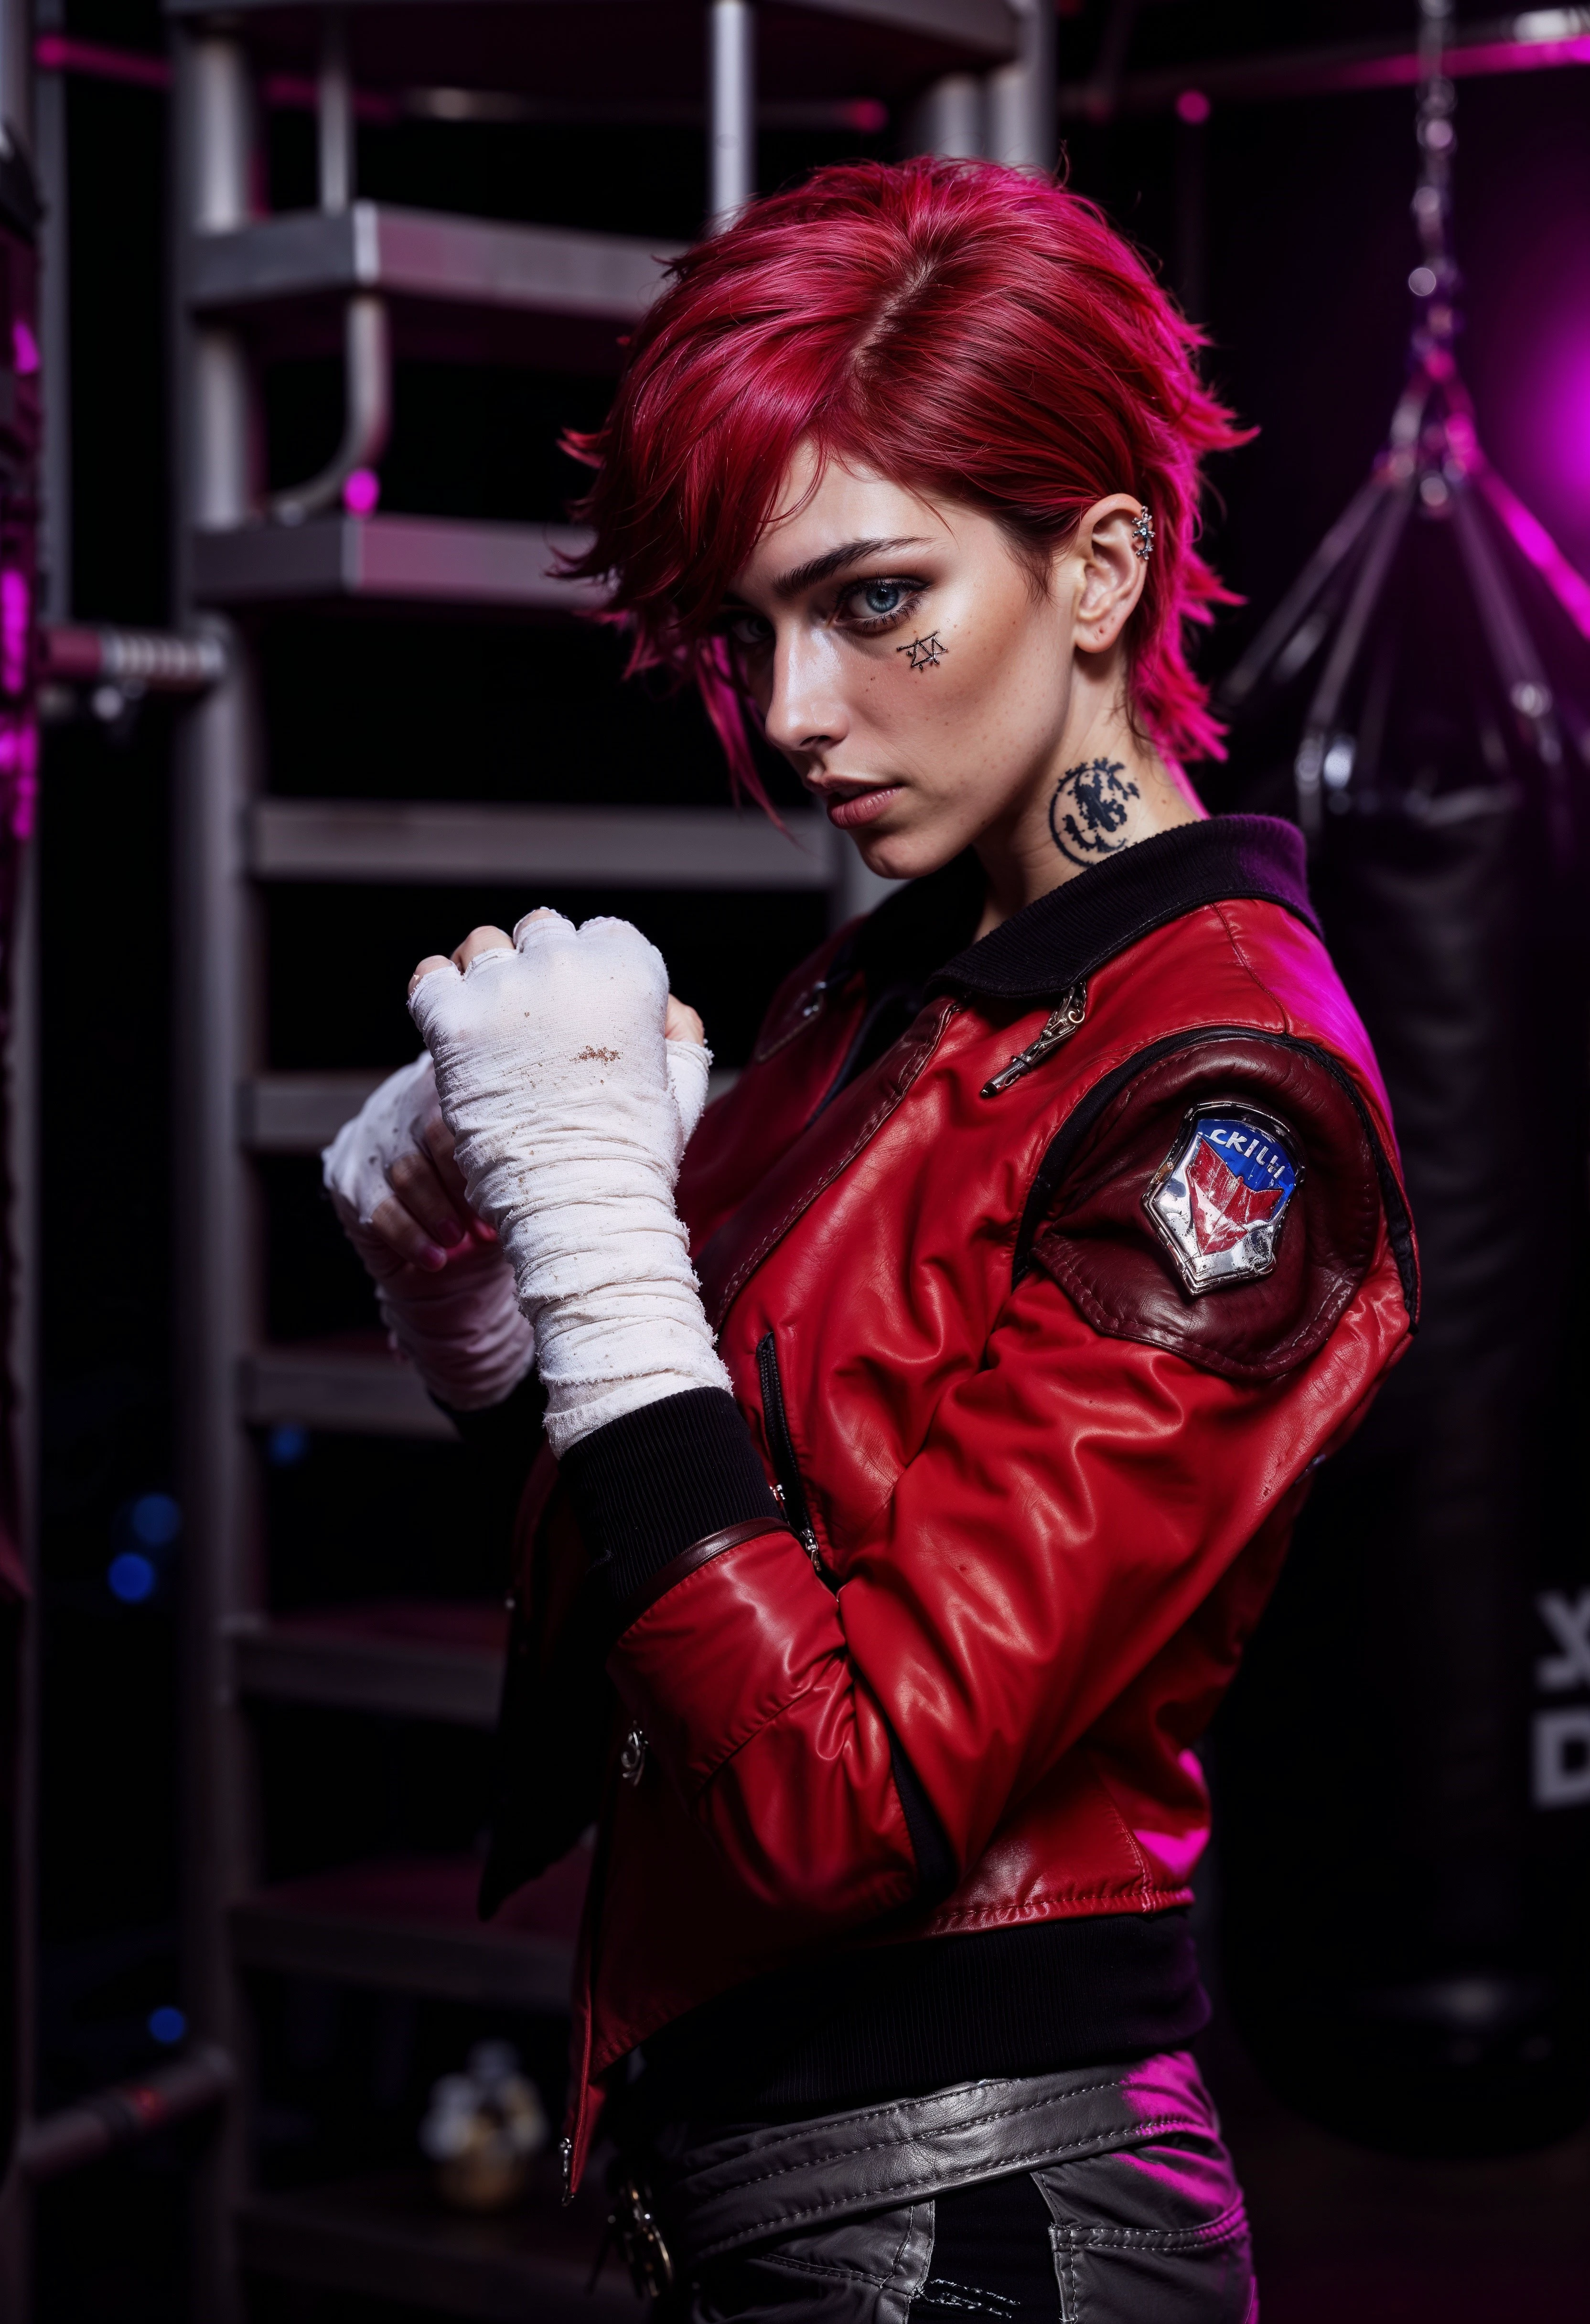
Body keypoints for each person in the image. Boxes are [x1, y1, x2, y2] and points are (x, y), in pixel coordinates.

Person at [324, 161, 1418, 2324]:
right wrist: (489, 1311)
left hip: (982, 2213)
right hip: (768, 2181)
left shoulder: (1225, 1101)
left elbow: (840, 1794)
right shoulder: (890, 995)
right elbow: (687, 1637)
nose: (796, 711)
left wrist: (606, 1247)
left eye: (874, 601)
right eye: (748, 631)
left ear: (1099, 566)